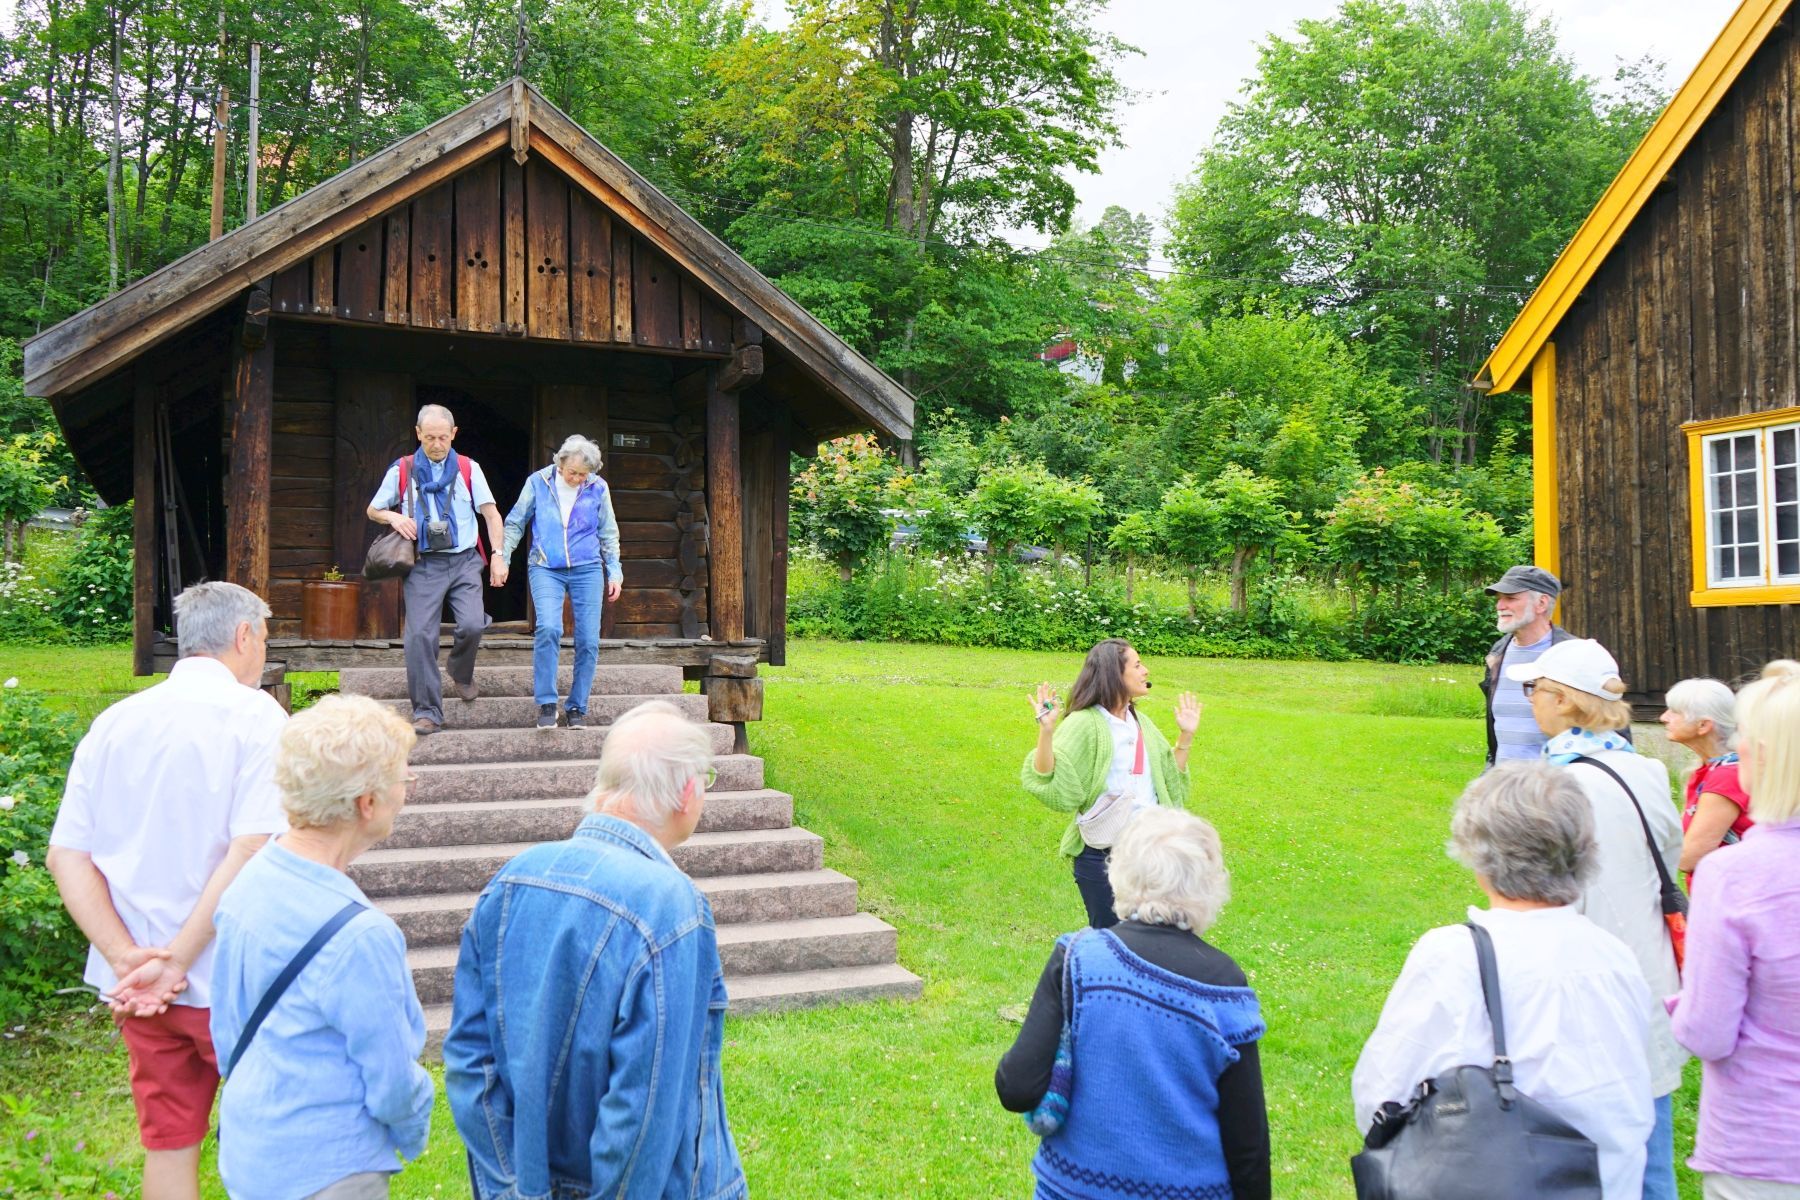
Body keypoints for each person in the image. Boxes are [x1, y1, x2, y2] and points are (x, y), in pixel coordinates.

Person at [443, 700, 746, 1200]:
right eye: (705, 779)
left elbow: (470, 1062)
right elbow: (643, 1111)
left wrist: (511, 1188)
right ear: (687, 791)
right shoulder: (671, 907)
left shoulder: (512, 880)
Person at [45, 582, 288, 1200]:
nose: (263, 651)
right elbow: (254, 846)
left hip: (140, 992)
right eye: (264, 638)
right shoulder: (257, 716)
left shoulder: (115, 721)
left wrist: (128, 959)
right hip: (229, 980)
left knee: (170, 1143)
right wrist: (175, 959)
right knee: (274, 1143)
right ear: (243, 637)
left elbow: (66, 853)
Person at [1352, 762, 1655, 1198]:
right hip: (1609, 1182)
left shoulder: (1454, 955)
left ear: (1479, 852)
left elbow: (1382, 1096)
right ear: (1582, 848)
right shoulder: (1613, 954)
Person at [210, 694, 433, 1200]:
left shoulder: (250, 880)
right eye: (404, 778)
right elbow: (393, 1080)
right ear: (367, 803)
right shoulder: (361, 936)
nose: (408, 791)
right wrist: (415, 1125)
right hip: (327, 1170)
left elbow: (225, 1027)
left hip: (253, 1150)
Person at [996, 808, 1270, 1200]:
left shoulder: (1077, 958)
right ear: (1210, 887)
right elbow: (1248, 1145)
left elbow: (1017, 1088)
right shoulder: (1225, 984)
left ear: (1120, 874)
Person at [1509, 637, 1686, 1200]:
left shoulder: (1561, 784)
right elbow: (1670, 853)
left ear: (1563, 701)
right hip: (1650, 976)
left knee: (1592, 1159)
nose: (1529, 699)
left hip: (1587, 985)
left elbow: (1552, 892)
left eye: (1534, 689)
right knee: (1650, 1147)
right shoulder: (1645, 769)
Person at [1667, 660, 1800, 1199]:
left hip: (1767, 1144)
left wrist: (1674, 1005)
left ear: (1764, 756)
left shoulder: (1735, 874)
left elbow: (1707, 1031)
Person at [1021, 638, 1201, 929]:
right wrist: (1047, 731)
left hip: (1150, 854)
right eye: (1138, 664)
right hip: (1104, 858)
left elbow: (1171, 783)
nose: (1146, 670)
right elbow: (1049, 779)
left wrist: (1186, 736)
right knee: (1114, 943)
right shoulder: (1086, 723)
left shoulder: (1140, 722)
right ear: (1114, 674)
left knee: (1160, 939)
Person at [365, 403, 506, 736]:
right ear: (418, 434)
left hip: (464, 560)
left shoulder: (469, 468)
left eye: (444, 437)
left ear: (454, 434)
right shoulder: (403, 469)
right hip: (424, 564)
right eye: (430, 437)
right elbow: (373, 509)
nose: (437, 444)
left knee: (472, 623)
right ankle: (427, 710)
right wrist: (394, 516)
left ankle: (459, 669)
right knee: (419, 636)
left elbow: (491, 514)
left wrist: (498, 555)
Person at [496, 434, 624, 730]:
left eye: (584, 474)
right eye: (573, 472)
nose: (578, 478)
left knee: (589, 640)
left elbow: (608, 532)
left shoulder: (598, 487)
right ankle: (546, 703)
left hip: (588, 568)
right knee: (549, 627)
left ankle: (577, 707)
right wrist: (502, 556)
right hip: (545, 567)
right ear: (560, 463)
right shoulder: (538, 482)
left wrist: (614, 571)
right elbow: (515, 521)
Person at [1480, 564, 1575, 765]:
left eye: (1511, 598)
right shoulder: (1497, 654)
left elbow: (1608, 722)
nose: (1500, 606)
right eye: (1499, 599)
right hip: (1504, 785)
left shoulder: (1571, 655)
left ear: (1541, 603)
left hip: (1556, 787)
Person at [1660, 677, 1753, 878]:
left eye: (1674, 712)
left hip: (1733, 899)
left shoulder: (1726, 776)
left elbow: (1687, 857)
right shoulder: (1713, 769)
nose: (1663, 717)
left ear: (1703, 725)